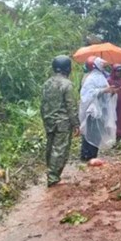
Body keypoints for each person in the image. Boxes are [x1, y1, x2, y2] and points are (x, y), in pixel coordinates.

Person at [41, 55, 79, 187]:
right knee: (60, 149)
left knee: (50, 148)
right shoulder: (67, 84)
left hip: (49, 120)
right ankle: (53, 177)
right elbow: (71, 105)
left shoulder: (47, 83)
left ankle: (50, 172)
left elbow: (43, 104)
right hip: (62, 122)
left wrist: (45, 119)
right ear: (67, 68)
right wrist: (75, 123)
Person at [79, 57, 118, 161]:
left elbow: (105, 93)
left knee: (97, 134)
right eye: (102, 64)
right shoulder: (91, 78)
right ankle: (87, 155)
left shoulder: (102, 77)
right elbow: (87, 94)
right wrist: (103, 90)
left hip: (101, 110)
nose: (104, 66)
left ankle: (93, 155)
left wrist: (111, 92)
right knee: (90, 132)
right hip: (93, 111)